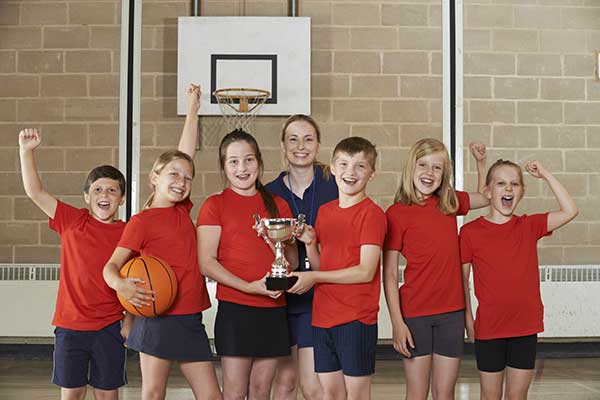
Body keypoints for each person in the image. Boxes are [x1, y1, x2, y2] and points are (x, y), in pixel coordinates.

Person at [103, 84, 222, 400]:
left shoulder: (183, 210)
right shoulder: (141, 222)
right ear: (155, 177)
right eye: (173, 175)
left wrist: (193, 109)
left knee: (212, 395)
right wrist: (123, 286)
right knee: (154, 393)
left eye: (186, 178)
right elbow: (111, 267)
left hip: (189, 318)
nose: (181, 182)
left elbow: (186, 154)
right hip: (156, 318)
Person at [19, 127, 128, 400]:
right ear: (87, 197)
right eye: (98, 189)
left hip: (110, 325)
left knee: (107, 394)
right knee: (72, 393)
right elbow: (35, 192)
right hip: (70, 326)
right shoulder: (72, 220)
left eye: (112, 190)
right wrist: (26, 152)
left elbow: (138, 280)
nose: (105, 194)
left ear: (122, 199)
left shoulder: (129, 233)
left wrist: (132, 322)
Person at [460, 159, 578, 400]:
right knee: (490, 395)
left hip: (525, 325)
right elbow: (463, 280)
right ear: (488, 191)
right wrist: (468, 317)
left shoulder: (529, 225)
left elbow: (570, 210)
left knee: (517, 395)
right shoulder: (470, 232)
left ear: (522, 192)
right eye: (501, 183)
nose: (508, 189)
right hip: (490, 327)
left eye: (515, 184)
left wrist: (544, 173)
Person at [382, 138, 488, 400]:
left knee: (445, 393)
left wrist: (481, 162)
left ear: (444, 174)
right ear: (411, 168)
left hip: (451, 313)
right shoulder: (396, 213)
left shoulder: (449, 203)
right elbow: (390, 274)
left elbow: (486, 198)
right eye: (423, 165)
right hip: (415, 314)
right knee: (417, 393)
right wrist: (397, 322)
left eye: (437, 168)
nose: (429, 173)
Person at [196, 129, 298, 400]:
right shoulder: (214, 205)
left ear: (259, 162)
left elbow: (292, 261)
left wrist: (268, 240)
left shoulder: (278, 205)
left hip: (273, 308)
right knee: (235, 392)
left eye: (249, 160)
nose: (242, 168)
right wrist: (250, 287)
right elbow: (206, 263)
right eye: (233, 161)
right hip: (235, 310)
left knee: (260, 390)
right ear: (224, 167)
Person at [288, 136, 387, 400]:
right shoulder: (325, 211)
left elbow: (365, 271)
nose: (350, 173)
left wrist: (314, 276)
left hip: (356, 318)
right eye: (343, 164)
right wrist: (310, 244)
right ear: (332, 168)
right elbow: (322, 265)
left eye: (360, 166)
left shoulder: (372, 214)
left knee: (356, 395)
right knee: (330, 394)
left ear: (372, 174)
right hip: (322, 318)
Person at [266, 115, 338, 400]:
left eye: (308, 139)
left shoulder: (334, 185)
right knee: (284, 383)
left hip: (318, 298)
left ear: (318, 145)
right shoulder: (270, 192)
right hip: (281, 299)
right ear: (283, 146)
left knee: (313, 387)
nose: (300, 146)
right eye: (293, 139)